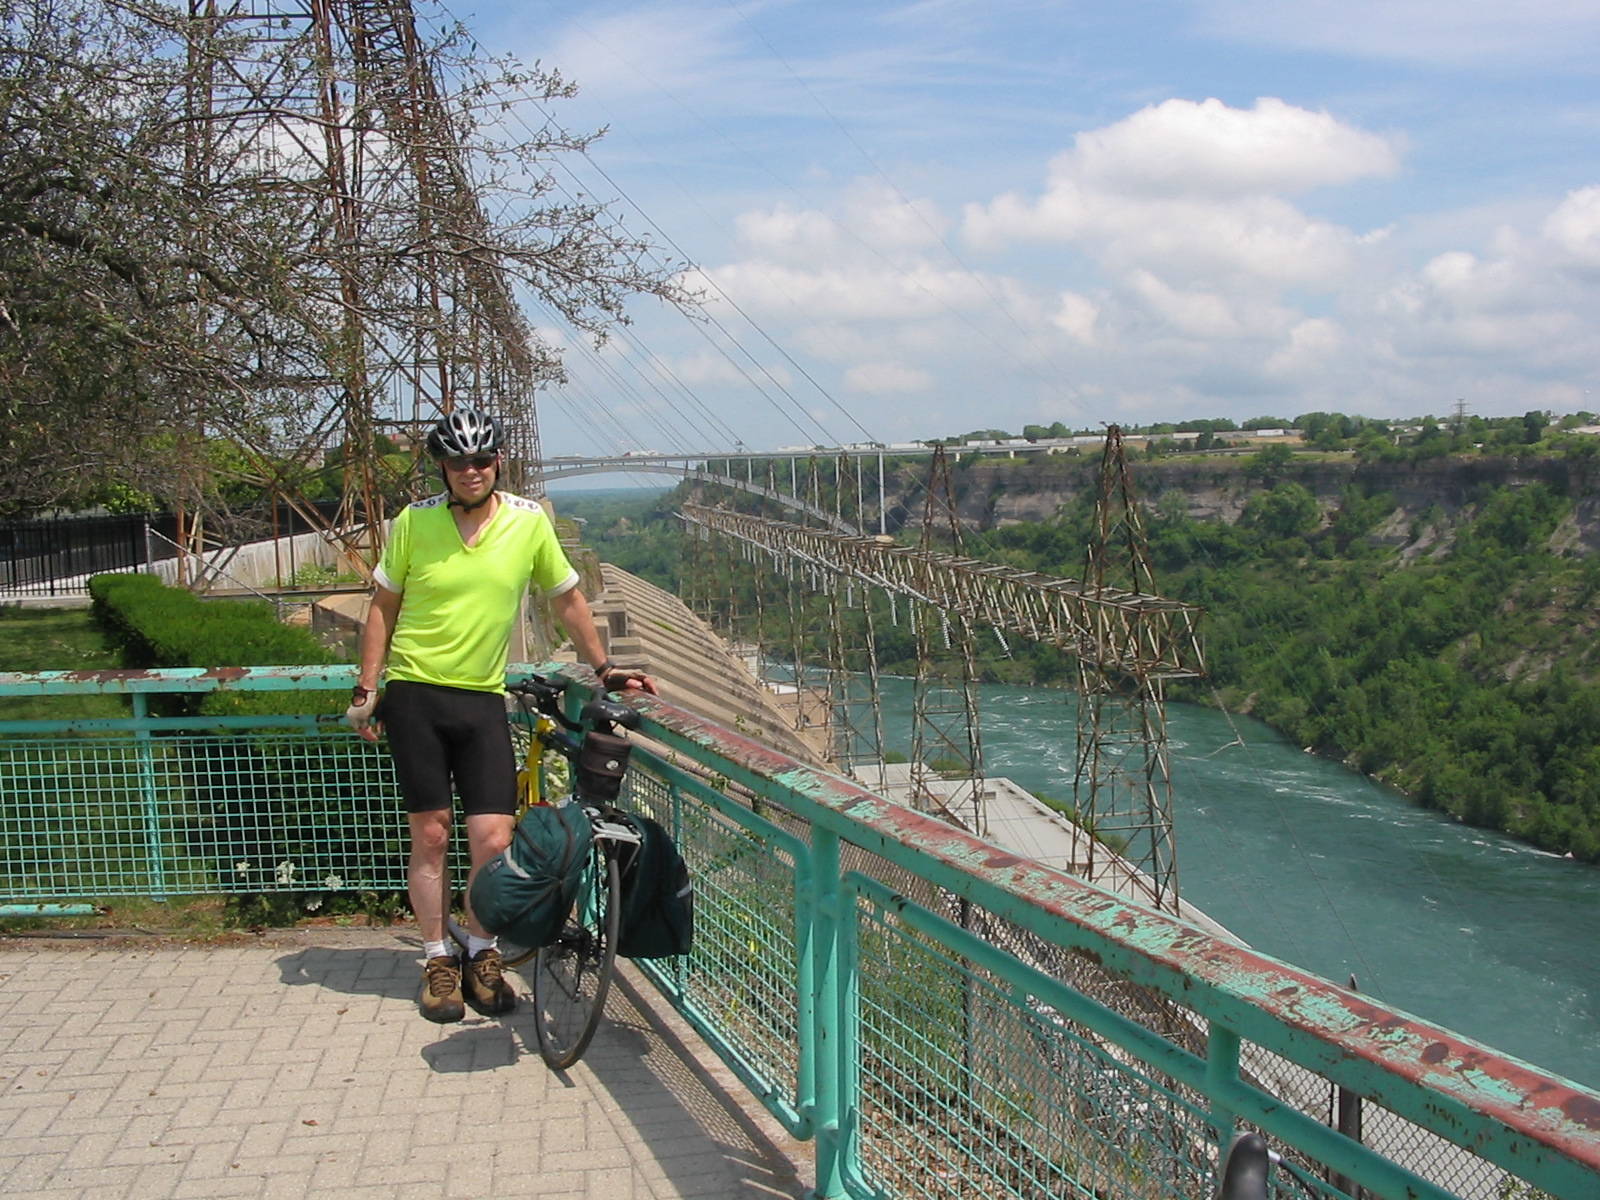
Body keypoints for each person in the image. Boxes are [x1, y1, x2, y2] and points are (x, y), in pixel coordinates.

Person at [344, 406, 656, 1023]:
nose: (472, 470)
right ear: (443, 467)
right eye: (459, 462)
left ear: (498, 462)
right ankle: (437, 961)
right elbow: (382, 606)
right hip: (415, 693)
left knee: (492, 837)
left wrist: (604, 668)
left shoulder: (527, 521)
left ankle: (480, 950)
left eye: (482, 459)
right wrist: (366, 686)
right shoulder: (414, 522)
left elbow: (566, 599)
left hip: (482, 696)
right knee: (431, 833)